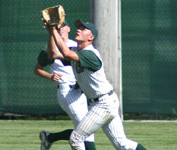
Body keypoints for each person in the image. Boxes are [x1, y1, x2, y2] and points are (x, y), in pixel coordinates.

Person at [44, 19, 147, 150]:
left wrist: (54, 30)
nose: (79, 29)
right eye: (79, 27)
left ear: (91, 37)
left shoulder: (90, 54)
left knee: (76, 138)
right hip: (103, 102)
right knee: (122, 144)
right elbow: (53, 54)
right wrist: (50, 32)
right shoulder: (77, 51)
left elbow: (66, 53)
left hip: (103, 103)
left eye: (83, 29)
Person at [34, 20, 96, 150]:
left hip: (81, 91)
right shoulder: (49, 48)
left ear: (68, 28)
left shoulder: (76, 46)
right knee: (86, 129)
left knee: (83, 128)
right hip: (66, 90)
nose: (60, 28)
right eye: (57, 27)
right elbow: (37, 69)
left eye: (62, 26)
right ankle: (50, 137)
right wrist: (50, 76)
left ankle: (50, 137)